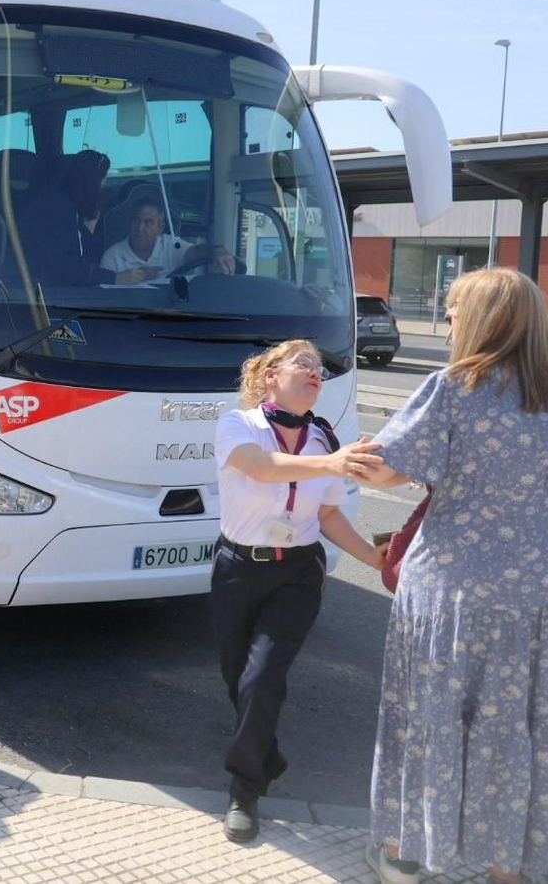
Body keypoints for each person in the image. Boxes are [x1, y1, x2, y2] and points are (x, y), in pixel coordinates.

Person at [357, 267, 548, 884]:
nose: (449, 317)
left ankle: (409, 854)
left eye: (455, 308)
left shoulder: (454, 386)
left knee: (434, 713)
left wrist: (343, 459)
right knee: (521, 722)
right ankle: (507, 867)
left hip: (456, 584)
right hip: (546, 587)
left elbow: (385, 472)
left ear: (485, 318)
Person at [211, 339, 386, 844]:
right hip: (238, 569)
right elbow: (260, 467)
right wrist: (332, 464)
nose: (316, 373)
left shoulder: (324, 439)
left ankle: (244, 790)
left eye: (319, 368)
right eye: (303, 363)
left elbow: (328, 514)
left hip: (297, 574)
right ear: (271, 376)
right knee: (238, 679)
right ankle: (264, 753)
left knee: (262, 677)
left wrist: (373, 558)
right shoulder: (239, 424)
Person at [13, 150, 113, 287]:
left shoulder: (67, 209)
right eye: (102, 183)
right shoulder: (54, 212)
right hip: (39, 294)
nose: (102, 190)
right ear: (92, 183)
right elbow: (68, 269)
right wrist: (115, 278)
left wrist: (88, 229)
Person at [100, 187, 236, 283]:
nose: (140, 228)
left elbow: (193, 252)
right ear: (129, 224)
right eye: (136, 220)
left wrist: (216, 251)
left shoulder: (171, 246)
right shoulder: (112, 257)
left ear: (160, 228)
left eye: (148, 222)